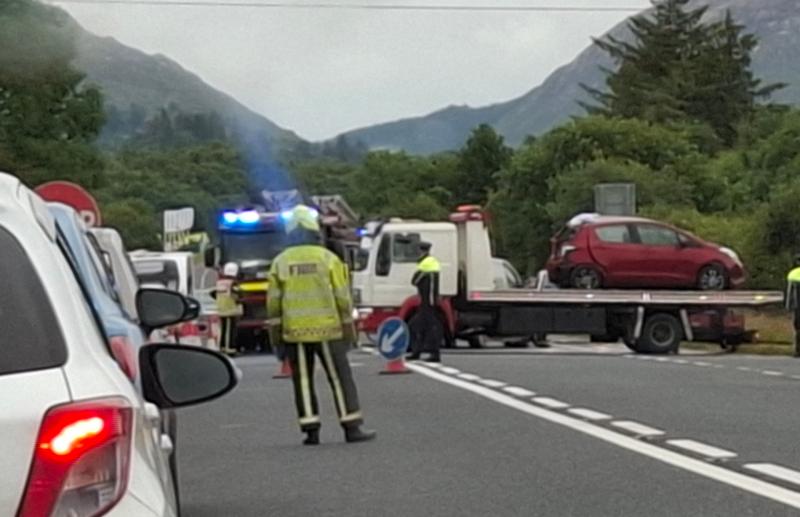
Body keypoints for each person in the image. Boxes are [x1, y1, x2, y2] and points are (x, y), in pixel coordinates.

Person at [267, 204, 376, 445]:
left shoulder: (280, 262)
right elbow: (342, 297)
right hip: (330, 329)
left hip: (294, 332)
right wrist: (350, 331)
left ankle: (310, 429)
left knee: (303, 380)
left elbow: (273, 305)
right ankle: (351, 426)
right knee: (340, 377)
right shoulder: (328, 259)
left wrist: (276, 337)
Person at [407, 241, 444, 363]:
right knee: (420, 327)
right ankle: (419, 352)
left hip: (428, 303)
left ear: (422, 251)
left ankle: (433, 354)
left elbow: (415, 280)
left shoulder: (426, 264)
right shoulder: (429, 262)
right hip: (428, 302)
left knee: (425, 327)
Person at [213, 262, 242, 356]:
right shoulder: (233, 283)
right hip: (230, 310)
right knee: (230, 331)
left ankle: (222, 348)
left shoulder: (219, 282)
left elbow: (213, 293)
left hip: (221, 309)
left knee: (224, 329)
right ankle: (230, 350)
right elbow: (237, 295)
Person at [786, 254, 800, 357]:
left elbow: (790, 292)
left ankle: (797, 351)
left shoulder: (793, 274)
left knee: (797, 329)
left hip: (797, 307)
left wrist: (788, 306)